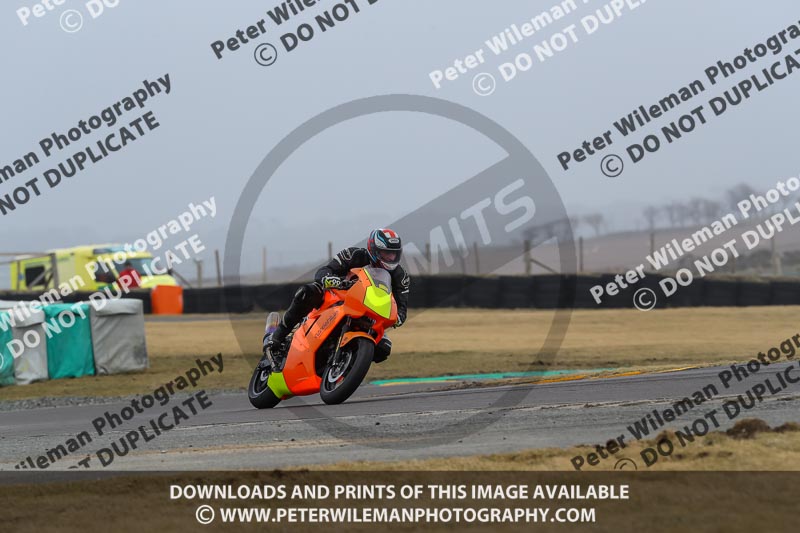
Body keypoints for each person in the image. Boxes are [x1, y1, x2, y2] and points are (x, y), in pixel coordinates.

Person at [265, 228, 410, 351]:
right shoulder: (353, 255)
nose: (391, 258)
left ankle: (347, 363)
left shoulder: (400, 275)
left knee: (384, 348)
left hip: (369, 311)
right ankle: (277, 336)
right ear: (374, 249)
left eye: (394, 254)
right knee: (307, 292)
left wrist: (396, 318)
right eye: (386, 253)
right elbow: (324, 270)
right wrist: (329, 279)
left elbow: (401, 308)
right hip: (338, 297)